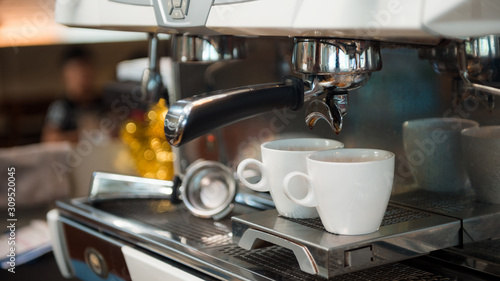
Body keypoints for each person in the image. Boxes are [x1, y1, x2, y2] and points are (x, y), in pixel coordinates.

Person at [42, 46, 105, 143]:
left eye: (86, 69)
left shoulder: (103, 102)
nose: (82, 76)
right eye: (75, 71)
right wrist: (86, 135)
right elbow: (50, 139)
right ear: (64, 75)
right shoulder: (61, 107)